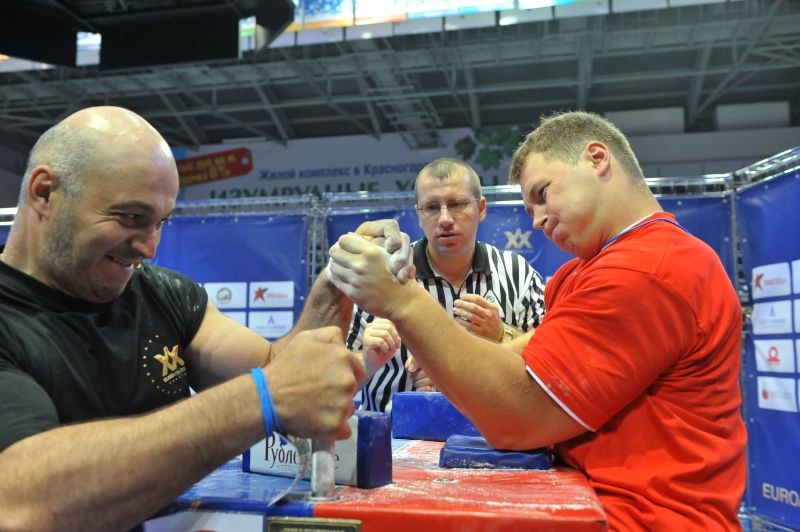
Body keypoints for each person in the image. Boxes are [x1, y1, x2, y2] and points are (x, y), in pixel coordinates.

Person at [328, 111, 747, 529]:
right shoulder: (582, 272)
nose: (538, 220)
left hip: (642, 519)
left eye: (543, 194)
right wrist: (442, 353)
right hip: (590, 501)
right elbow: (530, 359)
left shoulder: (647, 268)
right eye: (530, 207)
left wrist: (403, 300)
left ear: (597, 158)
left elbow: (520, 416)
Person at [0, 106, 410, 531]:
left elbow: (279, 370)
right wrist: (262, 399)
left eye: (160, 223)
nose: (149, 248)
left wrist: (337, 279)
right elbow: (22, 498)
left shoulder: (163, 294)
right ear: (44, 193)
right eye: (130, 218)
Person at [346, 158, 545, 412]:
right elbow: (329, 383)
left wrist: (502, 334)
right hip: (389, 433)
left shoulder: (518, 274)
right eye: (432, 207)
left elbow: (551, 365)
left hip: (491, 434)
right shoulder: (381, 276)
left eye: (457, 204)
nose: (445, 219)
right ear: (419, 215)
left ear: (481, 208)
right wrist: (367, 361)